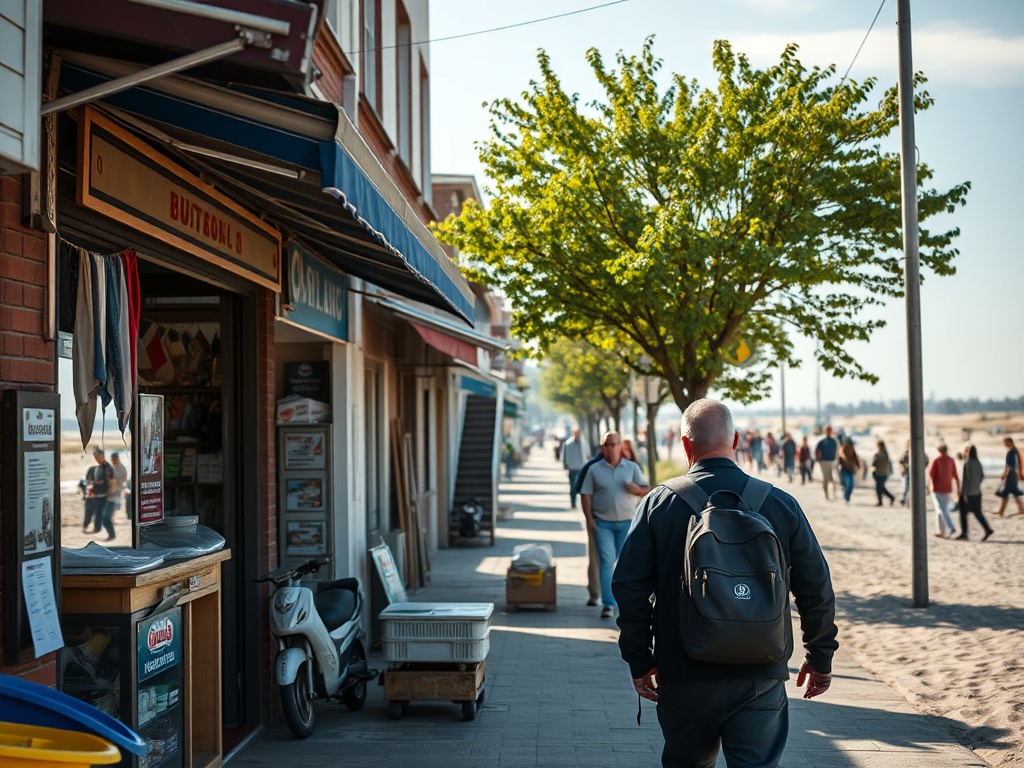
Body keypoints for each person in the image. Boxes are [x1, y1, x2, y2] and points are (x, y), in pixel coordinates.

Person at [612, 399, 838, 768]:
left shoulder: (659, 503)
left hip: (684, 672)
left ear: (686, 445)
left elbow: (629, 587)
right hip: (761, 671)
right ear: (735, 440)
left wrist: (639, 658)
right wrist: (820, 656)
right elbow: (816, 588)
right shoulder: (779, 503)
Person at [579, 431, 649, 619]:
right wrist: (590, 520)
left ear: (620, 446)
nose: (610, 448)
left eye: (614, 444)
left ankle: (625, 602)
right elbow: (586, 495)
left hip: (627, 522)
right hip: (603, 524)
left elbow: (647, 490)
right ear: (602, 447)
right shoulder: (594, 469)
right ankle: (608, 604)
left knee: (625, 564)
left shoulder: (631, 467)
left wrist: (636, 489)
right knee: (606, 563)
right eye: (607, 445)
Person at [958, 444, 993, 540]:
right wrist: (976, 485)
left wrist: (963, 493)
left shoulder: (967, 463)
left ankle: (965, 533)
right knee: (977, 512)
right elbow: (982, 476)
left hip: (968, 493)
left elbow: (966, 479)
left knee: (964, 513)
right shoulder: (978, 463)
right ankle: (986, 529)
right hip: (977, 492)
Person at [927, 443, 959, 537]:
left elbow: (931, 475)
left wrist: (929, 487)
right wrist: (958, 489)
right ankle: (940, 531)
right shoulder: (951, 460)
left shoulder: (936, 460)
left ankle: (951, 527)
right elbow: (955, 476)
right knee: (939, 510)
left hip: (937, 488)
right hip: (947, 488)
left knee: (942, 509)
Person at [86, 447, 116, 541]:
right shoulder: (98, 467)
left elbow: (108, 482)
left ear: (102, 456)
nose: (96, 459)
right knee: (98, 513)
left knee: (105, 516)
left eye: (97, 457)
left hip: (106, 496)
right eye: (95, 457)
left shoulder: (107, 467)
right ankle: (97, 528)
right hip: (98, 495)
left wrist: (95, 483)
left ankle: (111, 534)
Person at [994, 436, 1024, 516]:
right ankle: (1021, 509)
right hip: (1012, 475)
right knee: (1012, 492)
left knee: (1008, 492)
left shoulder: (1012, 452)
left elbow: (1011, 465)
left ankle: (1002, 511)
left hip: (1011, 475)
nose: (1005, 444)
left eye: (1006, 442)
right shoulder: (1014, 451)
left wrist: (1005, 474)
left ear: (1010, 442)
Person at [561, 427, 590, 509]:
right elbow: (565, 456)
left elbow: (587, 455)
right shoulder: (568, 443)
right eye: (576, 433)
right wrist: (566, 466)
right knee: (573, 487)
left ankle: (583, 504)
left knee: (583, 488)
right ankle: (573, 502)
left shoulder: (584, 443)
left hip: (582, 467)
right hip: (573, 468)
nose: (577, 435)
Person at [815, 426, 839, 500]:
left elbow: (837, 451)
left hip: (832, 461)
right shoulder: (822, 441)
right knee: (826, 479)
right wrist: (819, 459)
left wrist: (837, 460)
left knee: (833, 478)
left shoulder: (834, 441)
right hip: (824, 462)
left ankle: (834, 493)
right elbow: (816, 450)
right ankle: (826, 495)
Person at [870, 440, 896, 506]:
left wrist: (875, 457)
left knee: (880, 488)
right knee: (880, 488)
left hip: (880, 474)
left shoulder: (880, 454)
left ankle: (889, 498)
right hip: (884, 473)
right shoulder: (885, 453)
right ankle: (884, 500)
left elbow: (875, 463)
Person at [836, 438, 861, 503]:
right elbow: (839, 459)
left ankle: (847, 496)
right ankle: (846, 496)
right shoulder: (841, 450)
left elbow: (855, 457)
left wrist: (858, 465)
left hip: (851, 469)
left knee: (851, 484)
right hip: (844, 469)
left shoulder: (852, 450)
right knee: (847, 483)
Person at [110, 451, 129, 519]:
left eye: (113, 459)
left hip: (118, 488)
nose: (112, 461)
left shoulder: (122, 468)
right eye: (111, 460)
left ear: (117, 459)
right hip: (111, 488)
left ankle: (113, 517)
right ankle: (112, 517)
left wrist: (118, 482)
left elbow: (124, 478)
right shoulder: (111, 467)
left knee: (115, 503)